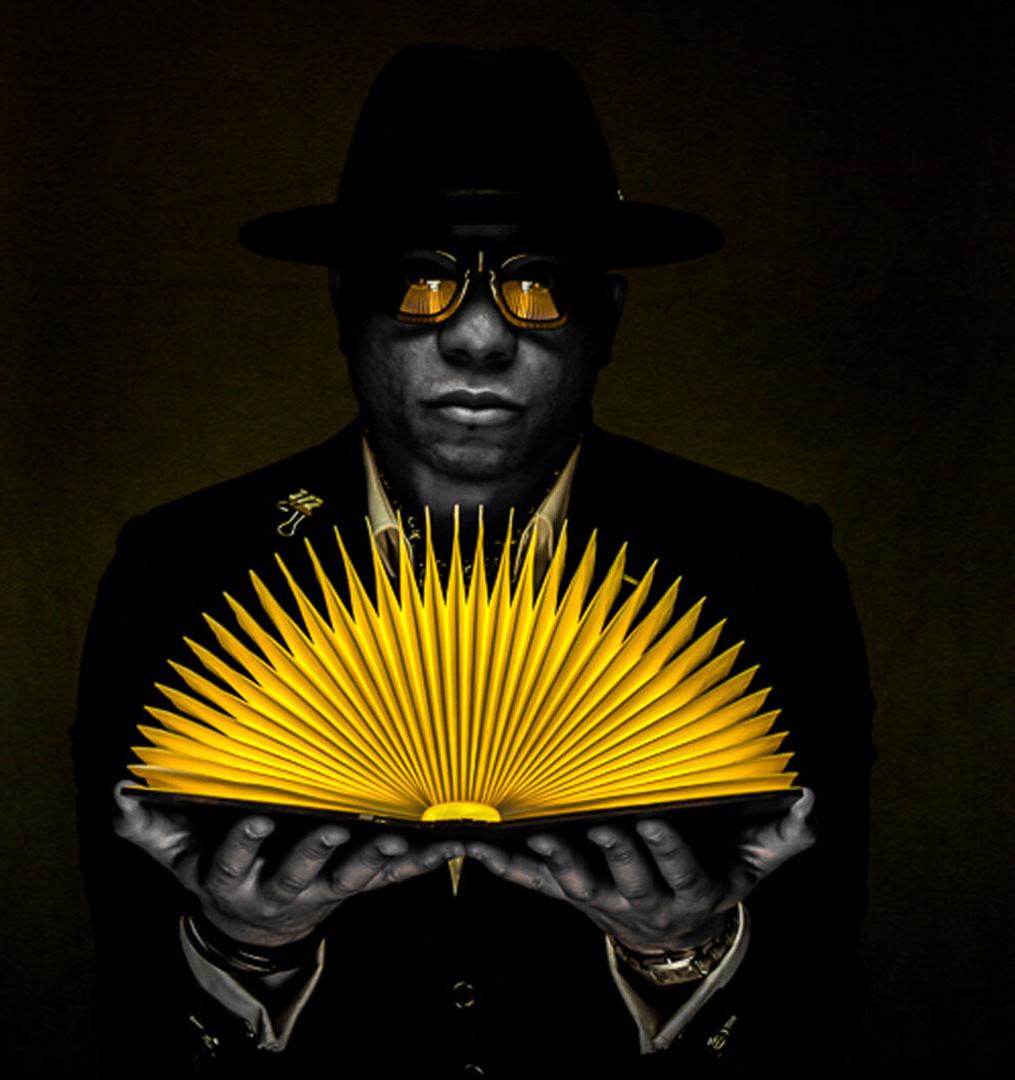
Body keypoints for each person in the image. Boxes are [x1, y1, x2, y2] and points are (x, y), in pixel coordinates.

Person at [72, 44, 874, 1078]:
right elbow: (132, 1010)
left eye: (540, 284)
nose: (482, 337)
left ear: (609, 320)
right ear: (343, 307)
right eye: (421, 283)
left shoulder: (764, 568)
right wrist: (243, 949)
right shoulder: (182, 573)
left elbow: (818, 1001)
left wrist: (682, 955)